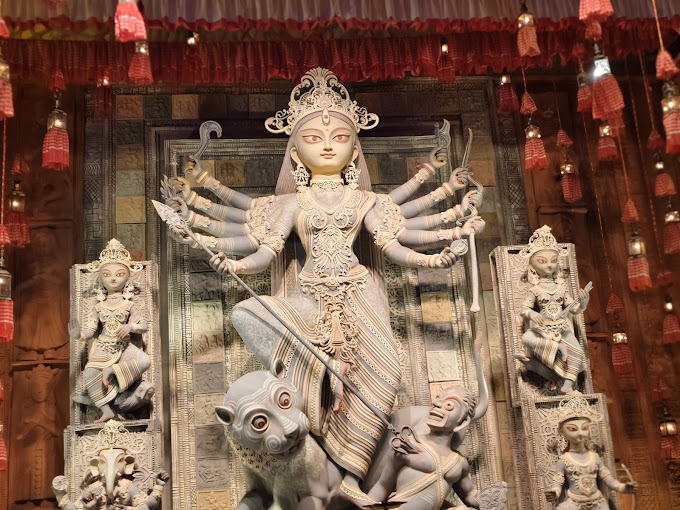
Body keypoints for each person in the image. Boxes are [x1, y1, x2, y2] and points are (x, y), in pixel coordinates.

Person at [168, 68, 484, 498]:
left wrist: (436, 257)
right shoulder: (289, 203)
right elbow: (267, 252)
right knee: (251, 315)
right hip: (310, 295)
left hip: (360, 294)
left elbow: (392, 246)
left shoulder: (366, 200)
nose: (328, 145)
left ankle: (353, 477)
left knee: (385, 375)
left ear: (354, 149)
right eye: (313, 138)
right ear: (296, 153)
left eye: (339, 137)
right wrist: (235, 265)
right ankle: (320, 415)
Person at [68, 239, 150, 423]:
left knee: (145, 360)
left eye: (119, 274)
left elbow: (144, 326)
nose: (113, 279)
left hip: (123, 347)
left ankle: (112, 370)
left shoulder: (128, 305)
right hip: (103, 347)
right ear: (101, 279)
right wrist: (79, 335)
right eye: (107, 274)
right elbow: (91, 330)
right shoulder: (99, 307)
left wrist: (131, 327)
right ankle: (106, 410)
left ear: (127, 279)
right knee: (89, 373)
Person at [518, 225, 591, 394]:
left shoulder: (561, 288)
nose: (549, 265)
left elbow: (574, 309)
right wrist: (532, 313)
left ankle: (568, 384)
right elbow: (524, 308)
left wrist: (583, 303)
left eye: (553, 260)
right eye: (542, 261)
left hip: (561, 328)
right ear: (533, 266)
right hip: (543, 330)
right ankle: (557, 348)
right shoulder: (535, 290)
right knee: (526, 338)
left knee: (577, 352)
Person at [546, 396, 637, 509]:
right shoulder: (564, 460)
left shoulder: (594, 457)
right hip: (574, 502)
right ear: (562, 432)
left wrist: (622, 487)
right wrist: (554, 492)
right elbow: (558, 483)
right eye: (573, 429)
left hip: (597, 501)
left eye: (584, 428)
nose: (580, 433)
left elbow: (608, 479)